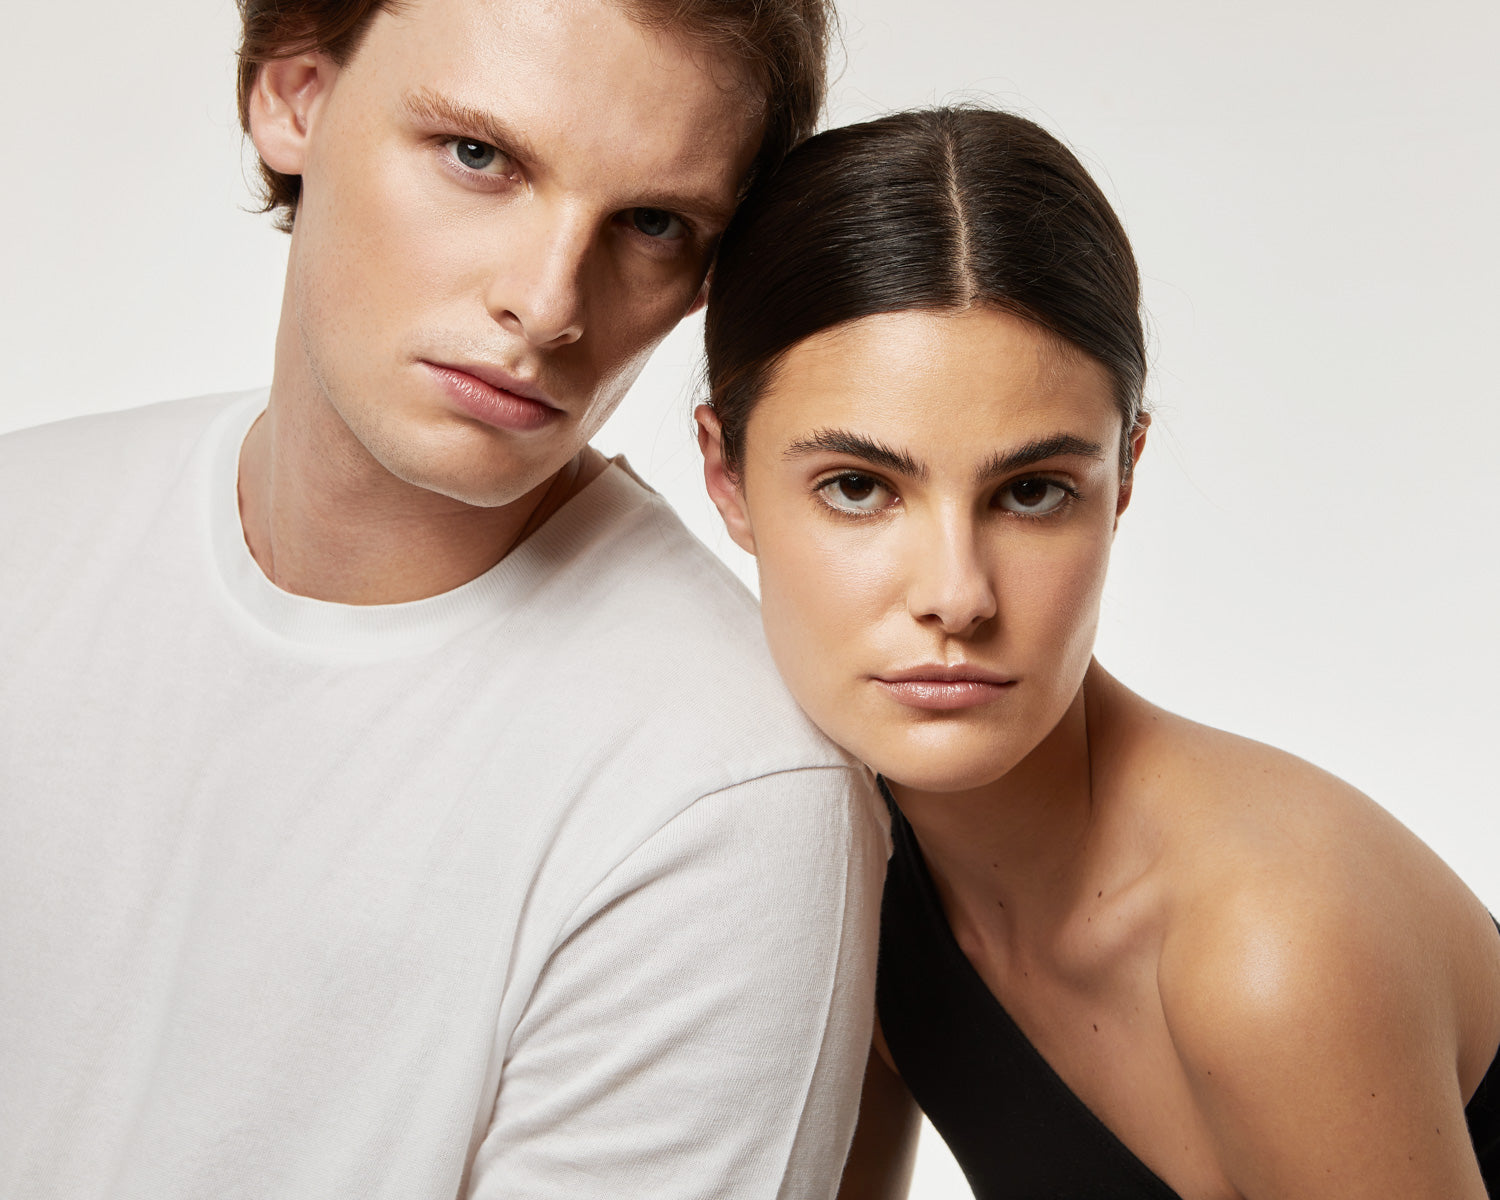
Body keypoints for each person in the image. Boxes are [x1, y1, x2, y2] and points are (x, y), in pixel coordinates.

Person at [0, 2, 888, 1197]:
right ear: (296, 96)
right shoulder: (25, 526)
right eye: (480, 156)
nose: (549, 301)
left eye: (651, 224)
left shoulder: (724, 800)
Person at [696, 106, 1500, 1199]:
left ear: (1123, 478)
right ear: (727, 475)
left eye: (1032, 493)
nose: (956, 596)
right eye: (858, 487)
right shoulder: (854, 886)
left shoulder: (1272, 946)